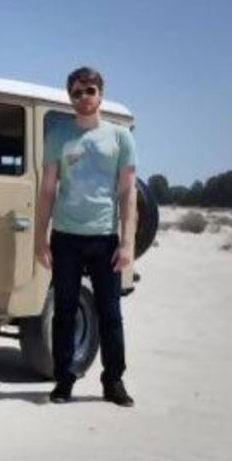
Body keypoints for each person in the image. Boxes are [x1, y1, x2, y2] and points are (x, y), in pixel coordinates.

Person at [34, 66, 137, 407]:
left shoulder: (120, 137)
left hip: (105, 237)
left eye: (89, 90)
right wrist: (40, 239)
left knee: (110, 314)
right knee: (64, 311)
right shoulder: (59, 136)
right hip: (65, 237)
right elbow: (47, 189)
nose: (83, 98)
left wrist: (127, 243)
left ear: (100, 93)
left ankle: (114, 382)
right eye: (77, 92)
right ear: (70, 97)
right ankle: (63, 381)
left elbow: (127, 192)